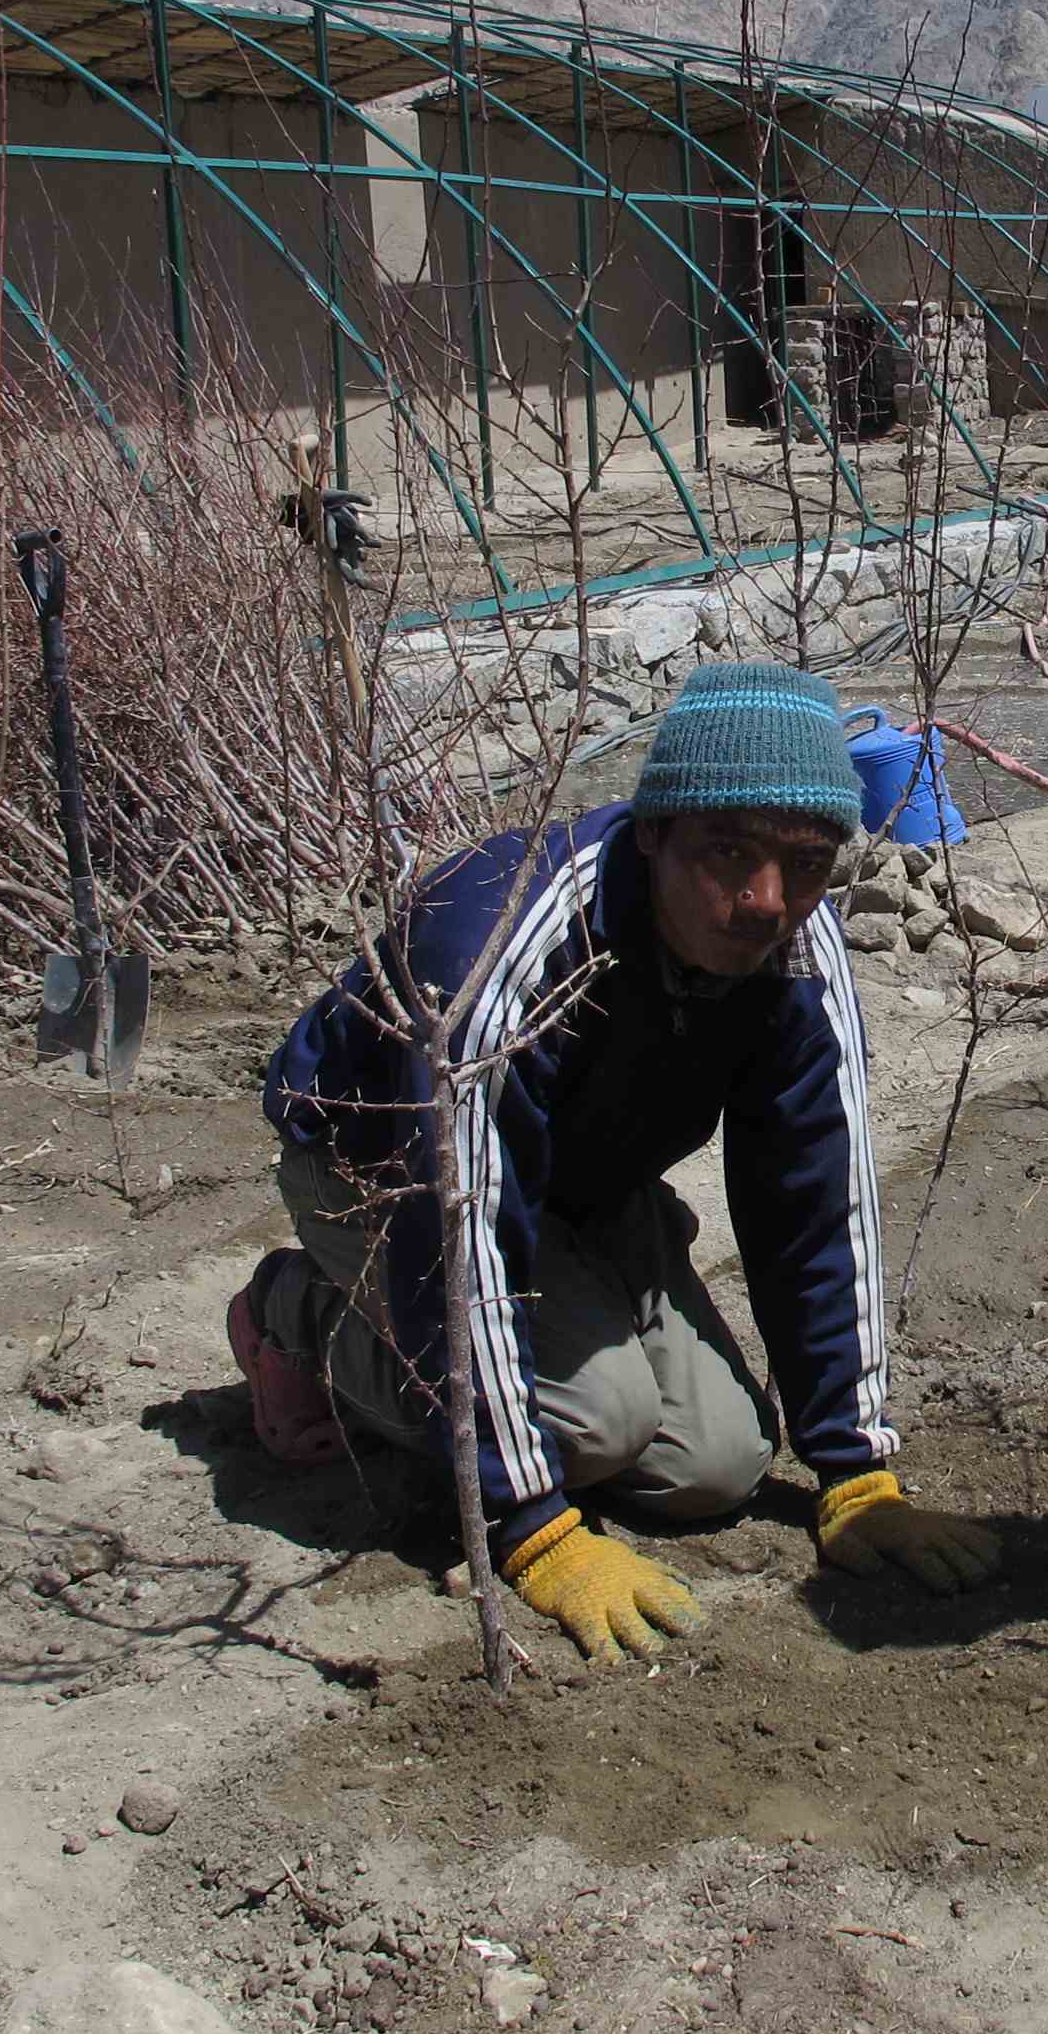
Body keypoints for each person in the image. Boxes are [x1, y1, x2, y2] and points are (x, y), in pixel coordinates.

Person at [232, 659, 1000, 1662]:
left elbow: (817, 1204)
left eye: (806, 865)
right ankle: (294, 1312)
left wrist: (855, 1470)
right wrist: (531, 1527)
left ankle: (579, 1303)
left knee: (716, 1467)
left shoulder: (798, 956)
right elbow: (451, 1233)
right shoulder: (499, 948)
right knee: (592, 1430)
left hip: (581, 1181)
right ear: (653, 834)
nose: (768, 902)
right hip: (388, 1177)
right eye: (728, 854)